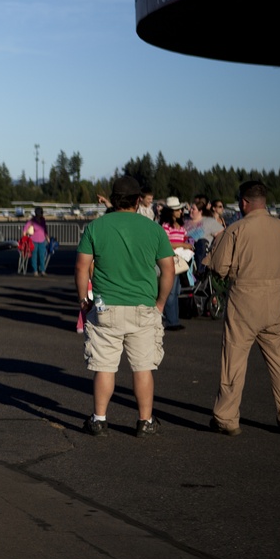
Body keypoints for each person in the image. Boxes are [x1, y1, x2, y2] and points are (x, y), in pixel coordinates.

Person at [75, 176, 174, 438]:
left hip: (106, 307)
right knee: (143, 367)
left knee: (104, 367)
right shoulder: (153, 229)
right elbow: (168, 269)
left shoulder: (96, 227)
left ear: (114, 198)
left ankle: (99, 419)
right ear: (138, 200)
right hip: (143, 306)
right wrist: (160, 303)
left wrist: (83, 299)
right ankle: (145, 421)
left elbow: (81, 267)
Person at [206, 181, 280, 436]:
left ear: (244, 203)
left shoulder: (237, 229)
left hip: (245, 298)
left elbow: (219, 267)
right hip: (276, 297)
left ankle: (227, 418)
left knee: (233, 362)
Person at [158, 197, 191, 332]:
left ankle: (174, 319)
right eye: (177, 210)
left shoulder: (180, 227)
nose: (180, 212)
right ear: (172, 212)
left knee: (175, 291)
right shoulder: (165, 226)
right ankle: (172, 321)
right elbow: (166, 243)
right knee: (171, 292)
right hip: (171, 260)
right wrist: (184, 244)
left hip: (178, 260)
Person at [22, 207, 49, 276]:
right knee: (34, 255)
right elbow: (25, 228)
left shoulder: (43, 220)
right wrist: (24, 235)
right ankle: (35, 270)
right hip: (34, 240)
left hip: (42, 240)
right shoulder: (32, 220)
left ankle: (42, 270)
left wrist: (47, 237)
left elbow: (45, 229)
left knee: (42, 255)